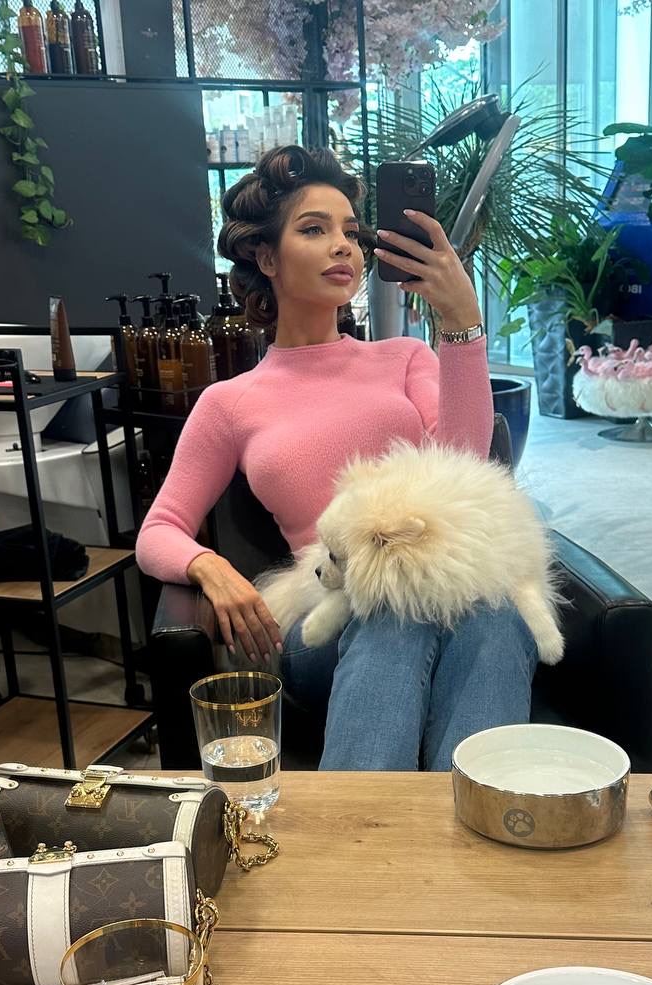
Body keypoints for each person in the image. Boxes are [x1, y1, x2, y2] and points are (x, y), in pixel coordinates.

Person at [136, 144, 538, 771]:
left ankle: (472, 820)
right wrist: (210, 568)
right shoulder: (230, 403)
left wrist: (461, 319)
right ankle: (362, 826)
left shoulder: (404, 358)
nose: (342, 247)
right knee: (393, 611)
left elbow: (464, 472)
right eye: (313, 230)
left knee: (496, 615)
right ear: (266, 257)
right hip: (325, 613)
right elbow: (159, 530)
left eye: (350, 232)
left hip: (441, 586)